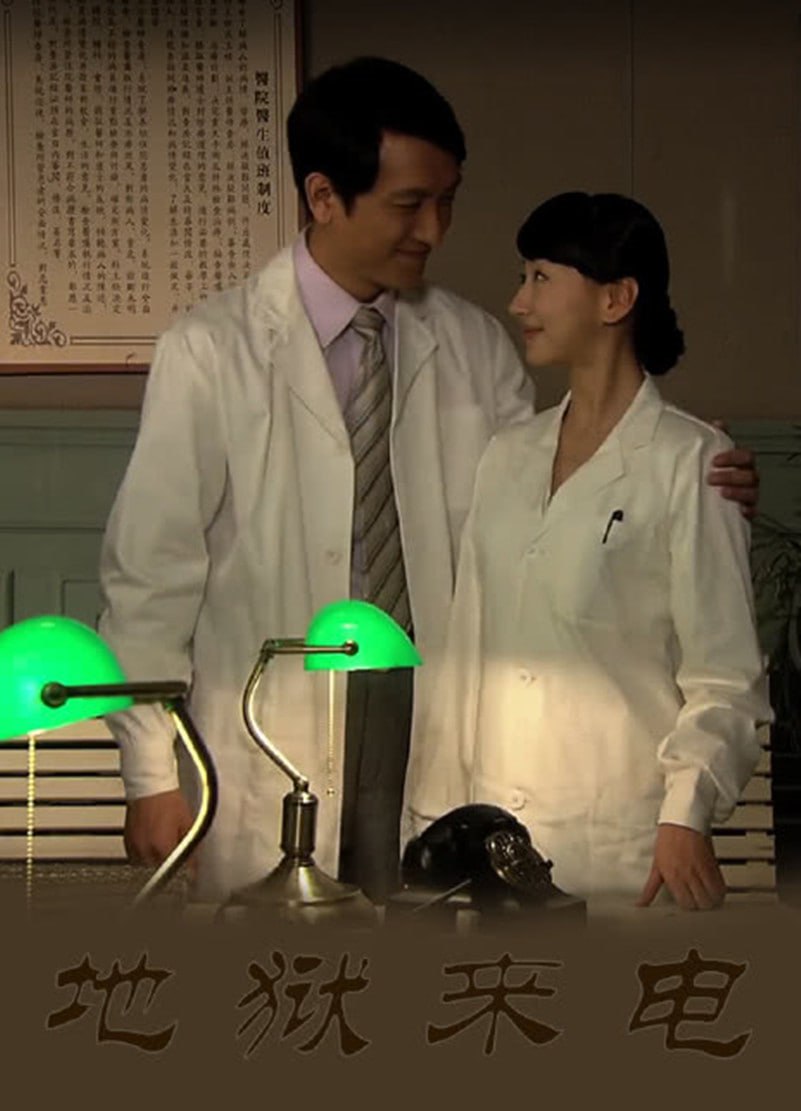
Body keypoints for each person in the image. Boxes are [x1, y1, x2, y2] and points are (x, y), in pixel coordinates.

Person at [98, 59, 759, 906]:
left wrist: (689, 469)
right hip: (274, 732)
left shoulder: (474, 347)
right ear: (324, 196)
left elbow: (546, 506)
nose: (434, 229)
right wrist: (150, 771)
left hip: (437, 732)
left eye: (447, 200)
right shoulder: (210, 351)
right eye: (409, 204)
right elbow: (150, 575)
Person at [403, 192, 772, 912]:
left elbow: (724, 676)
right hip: (490, 848)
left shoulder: (691, 462)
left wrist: (685, 814)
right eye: (522, 277)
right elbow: (468, 652)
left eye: (541, 277)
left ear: (615, 298)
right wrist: (436, 818)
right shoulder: (506, 457)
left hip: (623, 849)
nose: (519, 301)